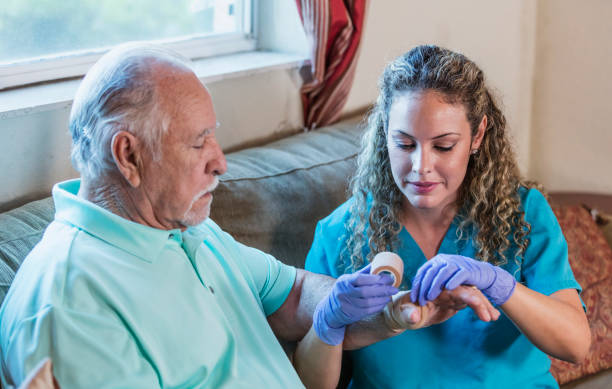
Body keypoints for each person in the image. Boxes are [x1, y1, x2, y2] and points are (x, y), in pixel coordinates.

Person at [0, 44, 495, 389]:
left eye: (215, 137)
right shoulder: (70, 304)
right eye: (199, 143)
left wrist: (392, 310)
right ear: (128, 156)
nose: (221, 162)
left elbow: (297, 296)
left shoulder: (186, 230)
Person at [305, 44, 591, 388]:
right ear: (385, 130)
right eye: (405, 144)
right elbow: (309, 382)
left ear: (478, 135)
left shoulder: (524, 214)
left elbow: (575, 345)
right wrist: (328, 323)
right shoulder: (339, 233)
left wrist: (499, 284)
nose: (421, 167)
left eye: (443, 146)